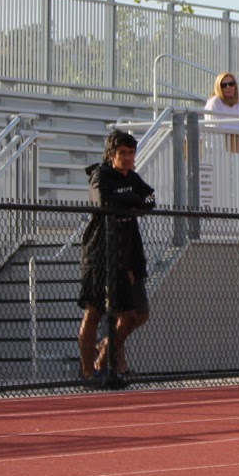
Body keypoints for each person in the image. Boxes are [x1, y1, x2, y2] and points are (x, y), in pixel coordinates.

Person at [78, 129, 156, 385]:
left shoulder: (133, 177)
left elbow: (150, 198)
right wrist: (131, 201)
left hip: (128, 251)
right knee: (94, 312)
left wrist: (131, 200)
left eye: (131, 153)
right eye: (122, 153)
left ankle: (104, 359)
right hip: (101, 252)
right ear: (112, 154)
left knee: (134, 315)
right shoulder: (101, 176)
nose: (127, 157)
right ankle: (89, 372)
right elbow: (105, 202)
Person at [203, 72, 239, 154]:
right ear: (219, 87)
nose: (228, 87)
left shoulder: (237, 102)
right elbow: (214, 127)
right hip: (216, 148)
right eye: (224, 85)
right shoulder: (215, 101)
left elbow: (236, 125)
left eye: (231, 84)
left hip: (232, 144)